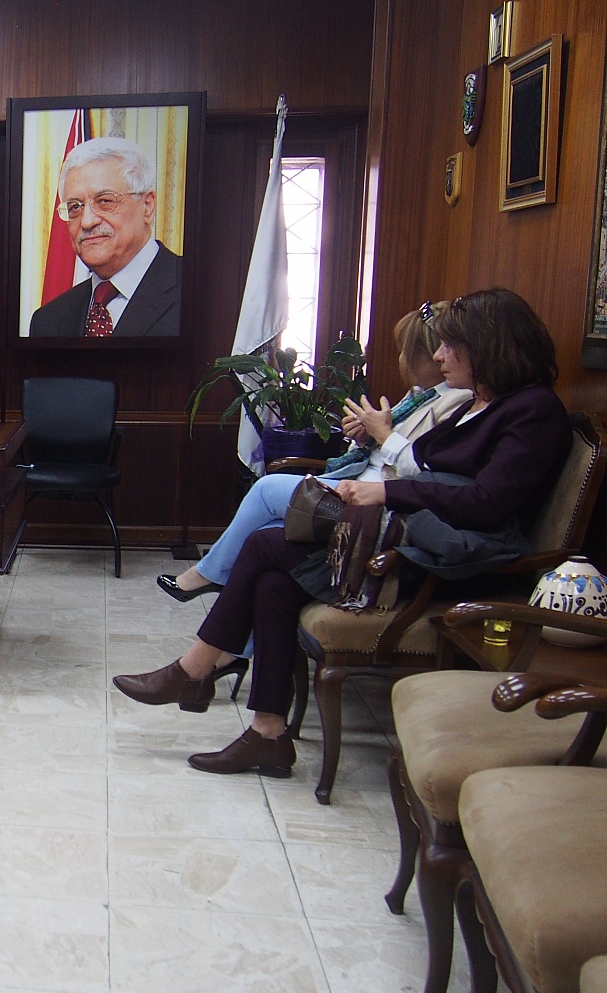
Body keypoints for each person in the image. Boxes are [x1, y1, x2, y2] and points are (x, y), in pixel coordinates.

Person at [114, 289, 572, 779]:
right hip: (408, 535)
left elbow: (488, 502)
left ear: (487, 347)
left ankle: (196, 670)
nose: (439, 355)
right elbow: (426, 466)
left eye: (450, 345)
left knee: (265, 543)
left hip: (450, 559)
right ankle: (265, 732)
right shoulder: (480, 403)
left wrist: (388, 493)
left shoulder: (533, 411)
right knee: (272, 581)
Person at [159, 301, 473, 602]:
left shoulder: (457, 401)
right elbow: (384, 451)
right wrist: (365, 437)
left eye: (409, 350)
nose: (402, 358)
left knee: (267, 490)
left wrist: (383, 433)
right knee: (264, 539)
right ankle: (229, 621)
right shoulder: (422, 395)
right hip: (359, 481)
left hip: (377, 499)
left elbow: (427, 474)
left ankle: (207, 574)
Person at [28, 136, 181, 338]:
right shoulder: (48, 321)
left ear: (147, 206)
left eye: (105, 201)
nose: (87, 221)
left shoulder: (200, 291)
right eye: (75, 207)